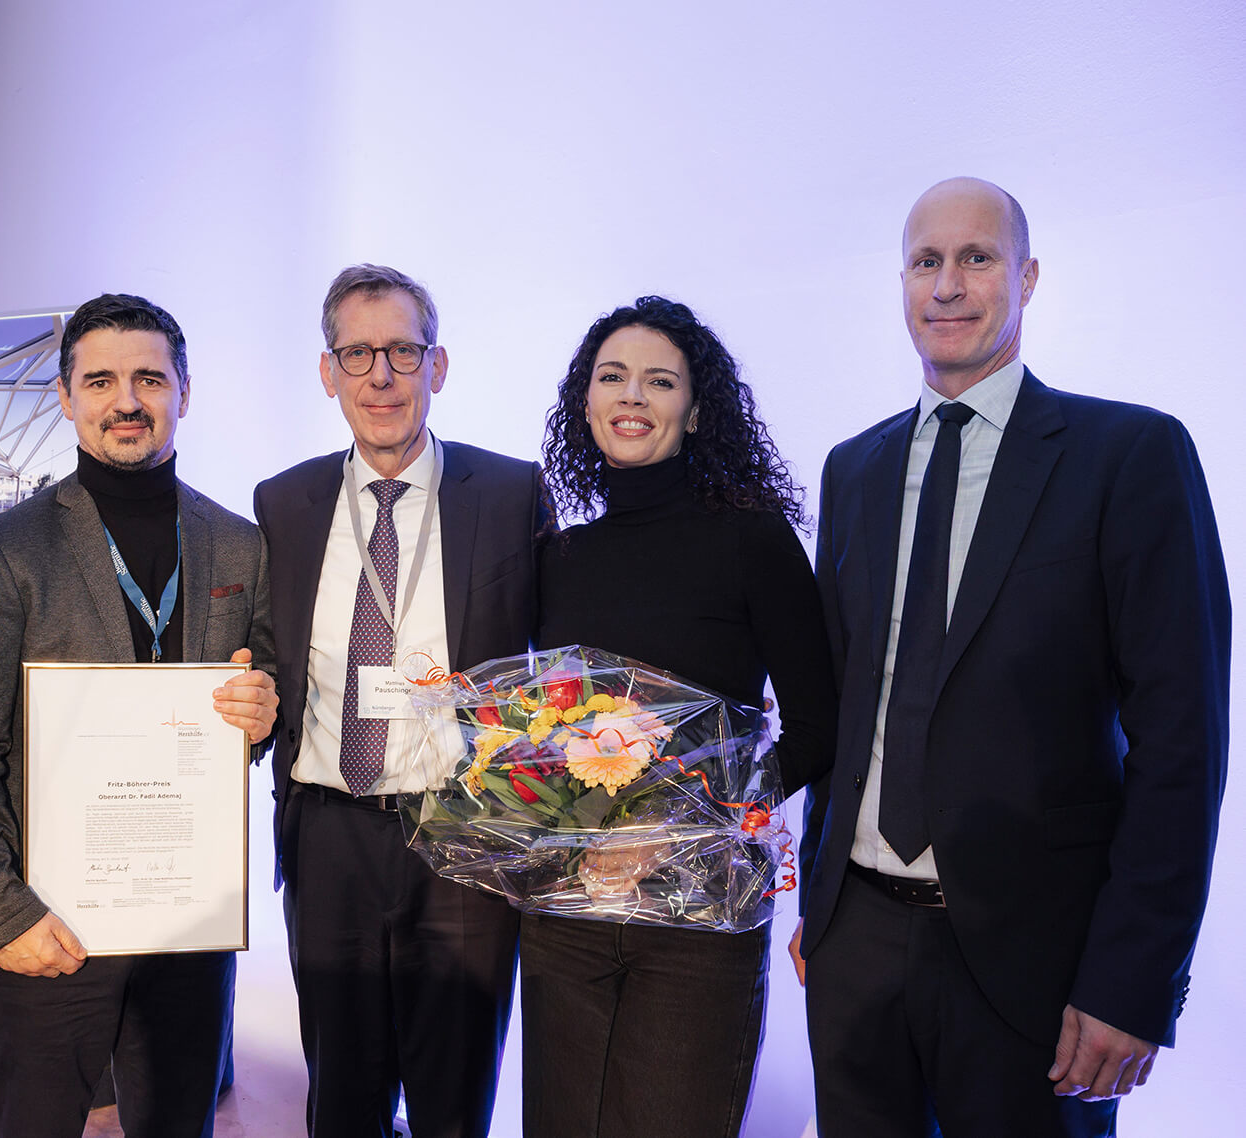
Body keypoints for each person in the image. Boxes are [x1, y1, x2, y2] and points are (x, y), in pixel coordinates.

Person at [792, 177, 1229, 1136]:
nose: (946, 285)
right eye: (925, 261)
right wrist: (818, 910)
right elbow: (847, 702)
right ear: (901, 283)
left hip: (1039, 961)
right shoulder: (853, 469)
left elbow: (1182, 741)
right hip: (856, 942)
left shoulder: (1128, 454)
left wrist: (1131, 980)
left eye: (976, 258)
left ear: (1025, 278)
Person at [0, 292, 278, 1138]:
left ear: (184, 392)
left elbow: (262, 691)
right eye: (100, 381)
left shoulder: (240, 544)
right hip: (48, 921)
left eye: (150, 379)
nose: (126, 401)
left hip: (188, 920)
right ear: (66, 398)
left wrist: (263, 712)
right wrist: (0, 912)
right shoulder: (7, 547)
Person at [522, 296, 836, 1136]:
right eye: (612, 377)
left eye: (659, 382)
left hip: (700, 916)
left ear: (695, 412)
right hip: (567, 913)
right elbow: (536, 735)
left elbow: (816, 728)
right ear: (585, 402)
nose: (632, 396)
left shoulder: (750, 539)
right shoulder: (559, 557)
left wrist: (680, 825)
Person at [252, 264, 546, 1137]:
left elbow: (552, 668)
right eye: (357, 354)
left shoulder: (511, 495)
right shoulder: (284, 502)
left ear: (437, 365)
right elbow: (265, 654)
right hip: (329, 835)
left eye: (402, 352)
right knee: (342, 1097)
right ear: (328, 371)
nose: (380, 376)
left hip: (462, 837)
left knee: (453, 1096)